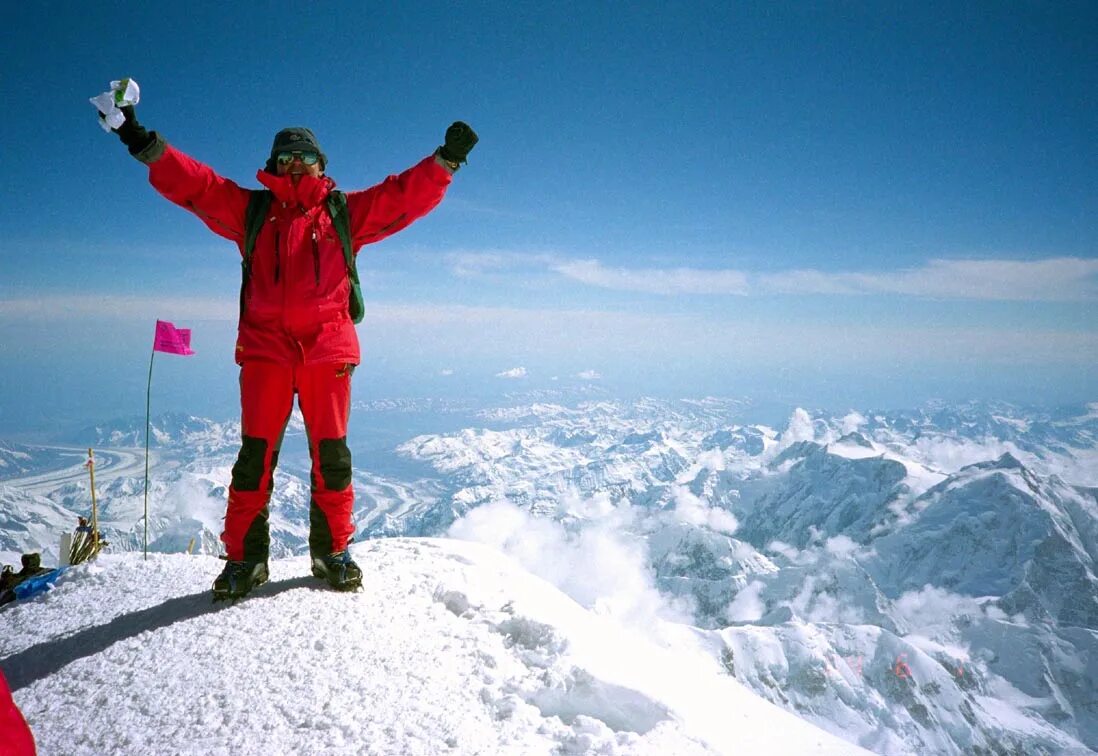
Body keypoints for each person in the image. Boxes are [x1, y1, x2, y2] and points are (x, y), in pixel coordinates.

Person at [107, 93, 477, 600]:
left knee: (333, 458)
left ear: (322, 165)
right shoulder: (251, 211)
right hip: (265, 352)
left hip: (328, 350)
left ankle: (332, 553)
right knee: (254, 458)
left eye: (304, 156)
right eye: (285, 157)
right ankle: (244, 561)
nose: (295, 163)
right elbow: (197, 186)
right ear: (271, 165)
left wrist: (444, 163)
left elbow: (401, 197)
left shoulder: (345, 213)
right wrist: (142, 141)